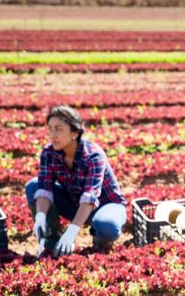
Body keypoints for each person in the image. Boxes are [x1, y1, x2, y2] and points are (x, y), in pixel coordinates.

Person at [25, 105, 127, 257]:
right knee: (33, 186)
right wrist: (40, 216)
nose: (52, 135)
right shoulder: (49, 152)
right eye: (50, 129)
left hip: (105, 205)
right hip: (75, 204)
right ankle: (53, 242)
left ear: (75, 132)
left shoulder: (93, 156)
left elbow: (90, 196)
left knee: (107, 226)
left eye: (59, 129)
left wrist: (72, 231)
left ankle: (100, 241)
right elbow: (44, 186)